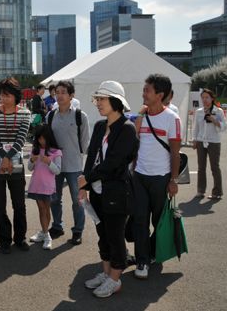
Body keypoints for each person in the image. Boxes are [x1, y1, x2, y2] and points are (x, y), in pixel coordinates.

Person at [77, 80, 139, 298]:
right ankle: (106, 274)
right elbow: (91, 155)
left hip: (117, 192)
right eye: (97, 99)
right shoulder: (99, 126)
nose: (98, 103)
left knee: (115, 236)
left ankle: (115, 279)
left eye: (102, 99)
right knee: (102, 234)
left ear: (116, 101)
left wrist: (86, 180)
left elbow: (113, 163)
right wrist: (84, 182)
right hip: (97, 191)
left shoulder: (127, 129)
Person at [132, 74, 180, 280]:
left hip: (161, 178)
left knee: (159, 221)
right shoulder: (141, 116)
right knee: (140, 220)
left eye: (147, 90)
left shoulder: (172, 118)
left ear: (160, 95)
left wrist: (173, 180)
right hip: (140, 176)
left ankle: (152, 252)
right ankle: (142, 260)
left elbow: (175, 153)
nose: (143, 93)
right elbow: (134, 143)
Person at [0, 77, 31, 254]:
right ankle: (4, 240)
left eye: (7, 95)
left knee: (19, 204)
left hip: (16, 164)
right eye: (1, 95)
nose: (4, 98)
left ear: (15, 95)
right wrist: (4, 157)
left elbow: (21, 138)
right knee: (0, 204)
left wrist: (9, 156)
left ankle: (20, 238)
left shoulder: (25, 114)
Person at [47, 80, 90, 245]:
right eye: (57, 92)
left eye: (63, 92)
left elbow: (85, 143)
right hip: (55, 166)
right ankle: (57, 226)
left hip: (74, 165)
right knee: (54, 198)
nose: (59, 95)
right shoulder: (50, 115)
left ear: (71, 95)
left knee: (77, 200)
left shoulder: (80, 116)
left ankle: (77, 231)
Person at [28, 124, 62, 250]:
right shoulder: (35, 150)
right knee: (41, 209)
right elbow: (30, 168)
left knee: (46, 209)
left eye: (43, 138)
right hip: (36, 185)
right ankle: (45, 233)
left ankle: (45, 234)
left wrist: (49, 162)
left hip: (48, 186)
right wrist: (32, 160)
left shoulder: (56, 152)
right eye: (39, 139)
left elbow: (58, 171)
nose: (41, 141)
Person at [192, 88, 226, 199]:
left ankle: (217, 192)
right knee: (201, 167)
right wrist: (194, 140)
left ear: (212, 98)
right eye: (203, 97)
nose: (205, 100)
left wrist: (214, 120)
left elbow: (224, 126)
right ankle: (200, 191)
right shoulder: (199, 112)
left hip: (214, 142)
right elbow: (195, 127)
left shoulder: (218, 111)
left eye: (207, 97)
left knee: (214, 167)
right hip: (201, 141)